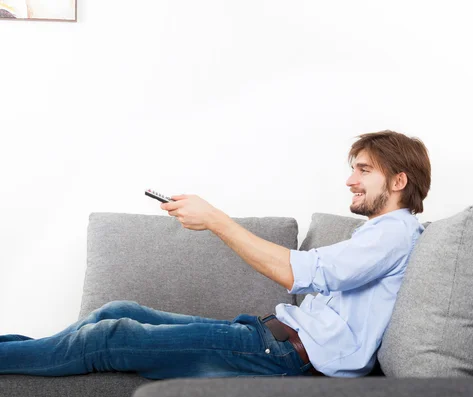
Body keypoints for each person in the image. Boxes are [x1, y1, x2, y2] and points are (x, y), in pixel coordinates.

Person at [0, 130, 431, 379]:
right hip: (270, 336)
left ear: (398, 181)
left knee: (109, 336)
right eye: (353, 168)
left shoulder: (394, 233)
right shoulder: (375, 232)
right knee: (118, 308)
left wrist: (216, 220)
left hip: (280, 355)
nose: (350, 180)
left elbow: (301, 273)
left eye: (363, 170)